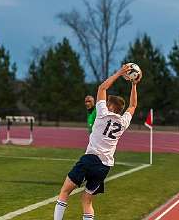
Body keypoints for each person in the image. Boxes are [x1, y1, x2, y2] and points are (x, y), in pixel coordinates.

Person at [53, 65, 141, 220]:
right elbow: (133, 105)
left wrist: (119, 73)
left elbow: (102, 87)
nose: (105, 103)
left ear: (110, 106)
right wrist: (134, 85)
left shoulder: (102, 114)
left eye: (107, 102)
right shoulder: (123, 122)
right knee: (87, 201)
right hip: (104, 167)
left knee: (65, 192)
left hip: (90, 159)